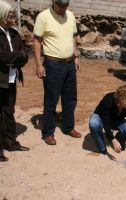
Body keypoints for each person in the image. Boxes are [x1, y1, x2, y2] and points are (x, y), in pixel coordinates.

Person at [33, 0, 81, 145]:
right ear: (53, 1)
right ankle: (48, 132)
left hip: (70, 63)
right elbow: (37, 41)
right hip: (52, 64)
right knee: (51, 100)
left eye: (66, 5)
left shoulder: (70, 16)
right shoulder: (43, 17)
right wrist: (38, 64)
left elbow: (73, 37)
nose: (63, 8)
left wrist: (76, 56)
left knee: (70, 98)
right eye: (60, 5)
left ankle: (68, 127)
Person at [0, 0, 29, 162]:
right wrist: (15, 57)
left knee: (8, 111)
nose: (12, 20)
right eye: (9, 17)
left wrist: (14, 59)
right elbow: (1, 56)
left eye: (13, 17)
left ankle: (10, 142)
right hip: (0, 79)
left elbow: (24, 55)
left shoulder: (14, 33)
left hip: (11, 79)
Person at [89, 83, 126, 156]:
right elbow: (106, 123)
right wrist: (112, 140)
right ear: (123, 99)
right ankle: (102, 149)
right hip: (101, 117)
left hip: (116, 120)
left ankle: (118, 142)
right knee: (93, 124)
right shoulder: (108, 99)